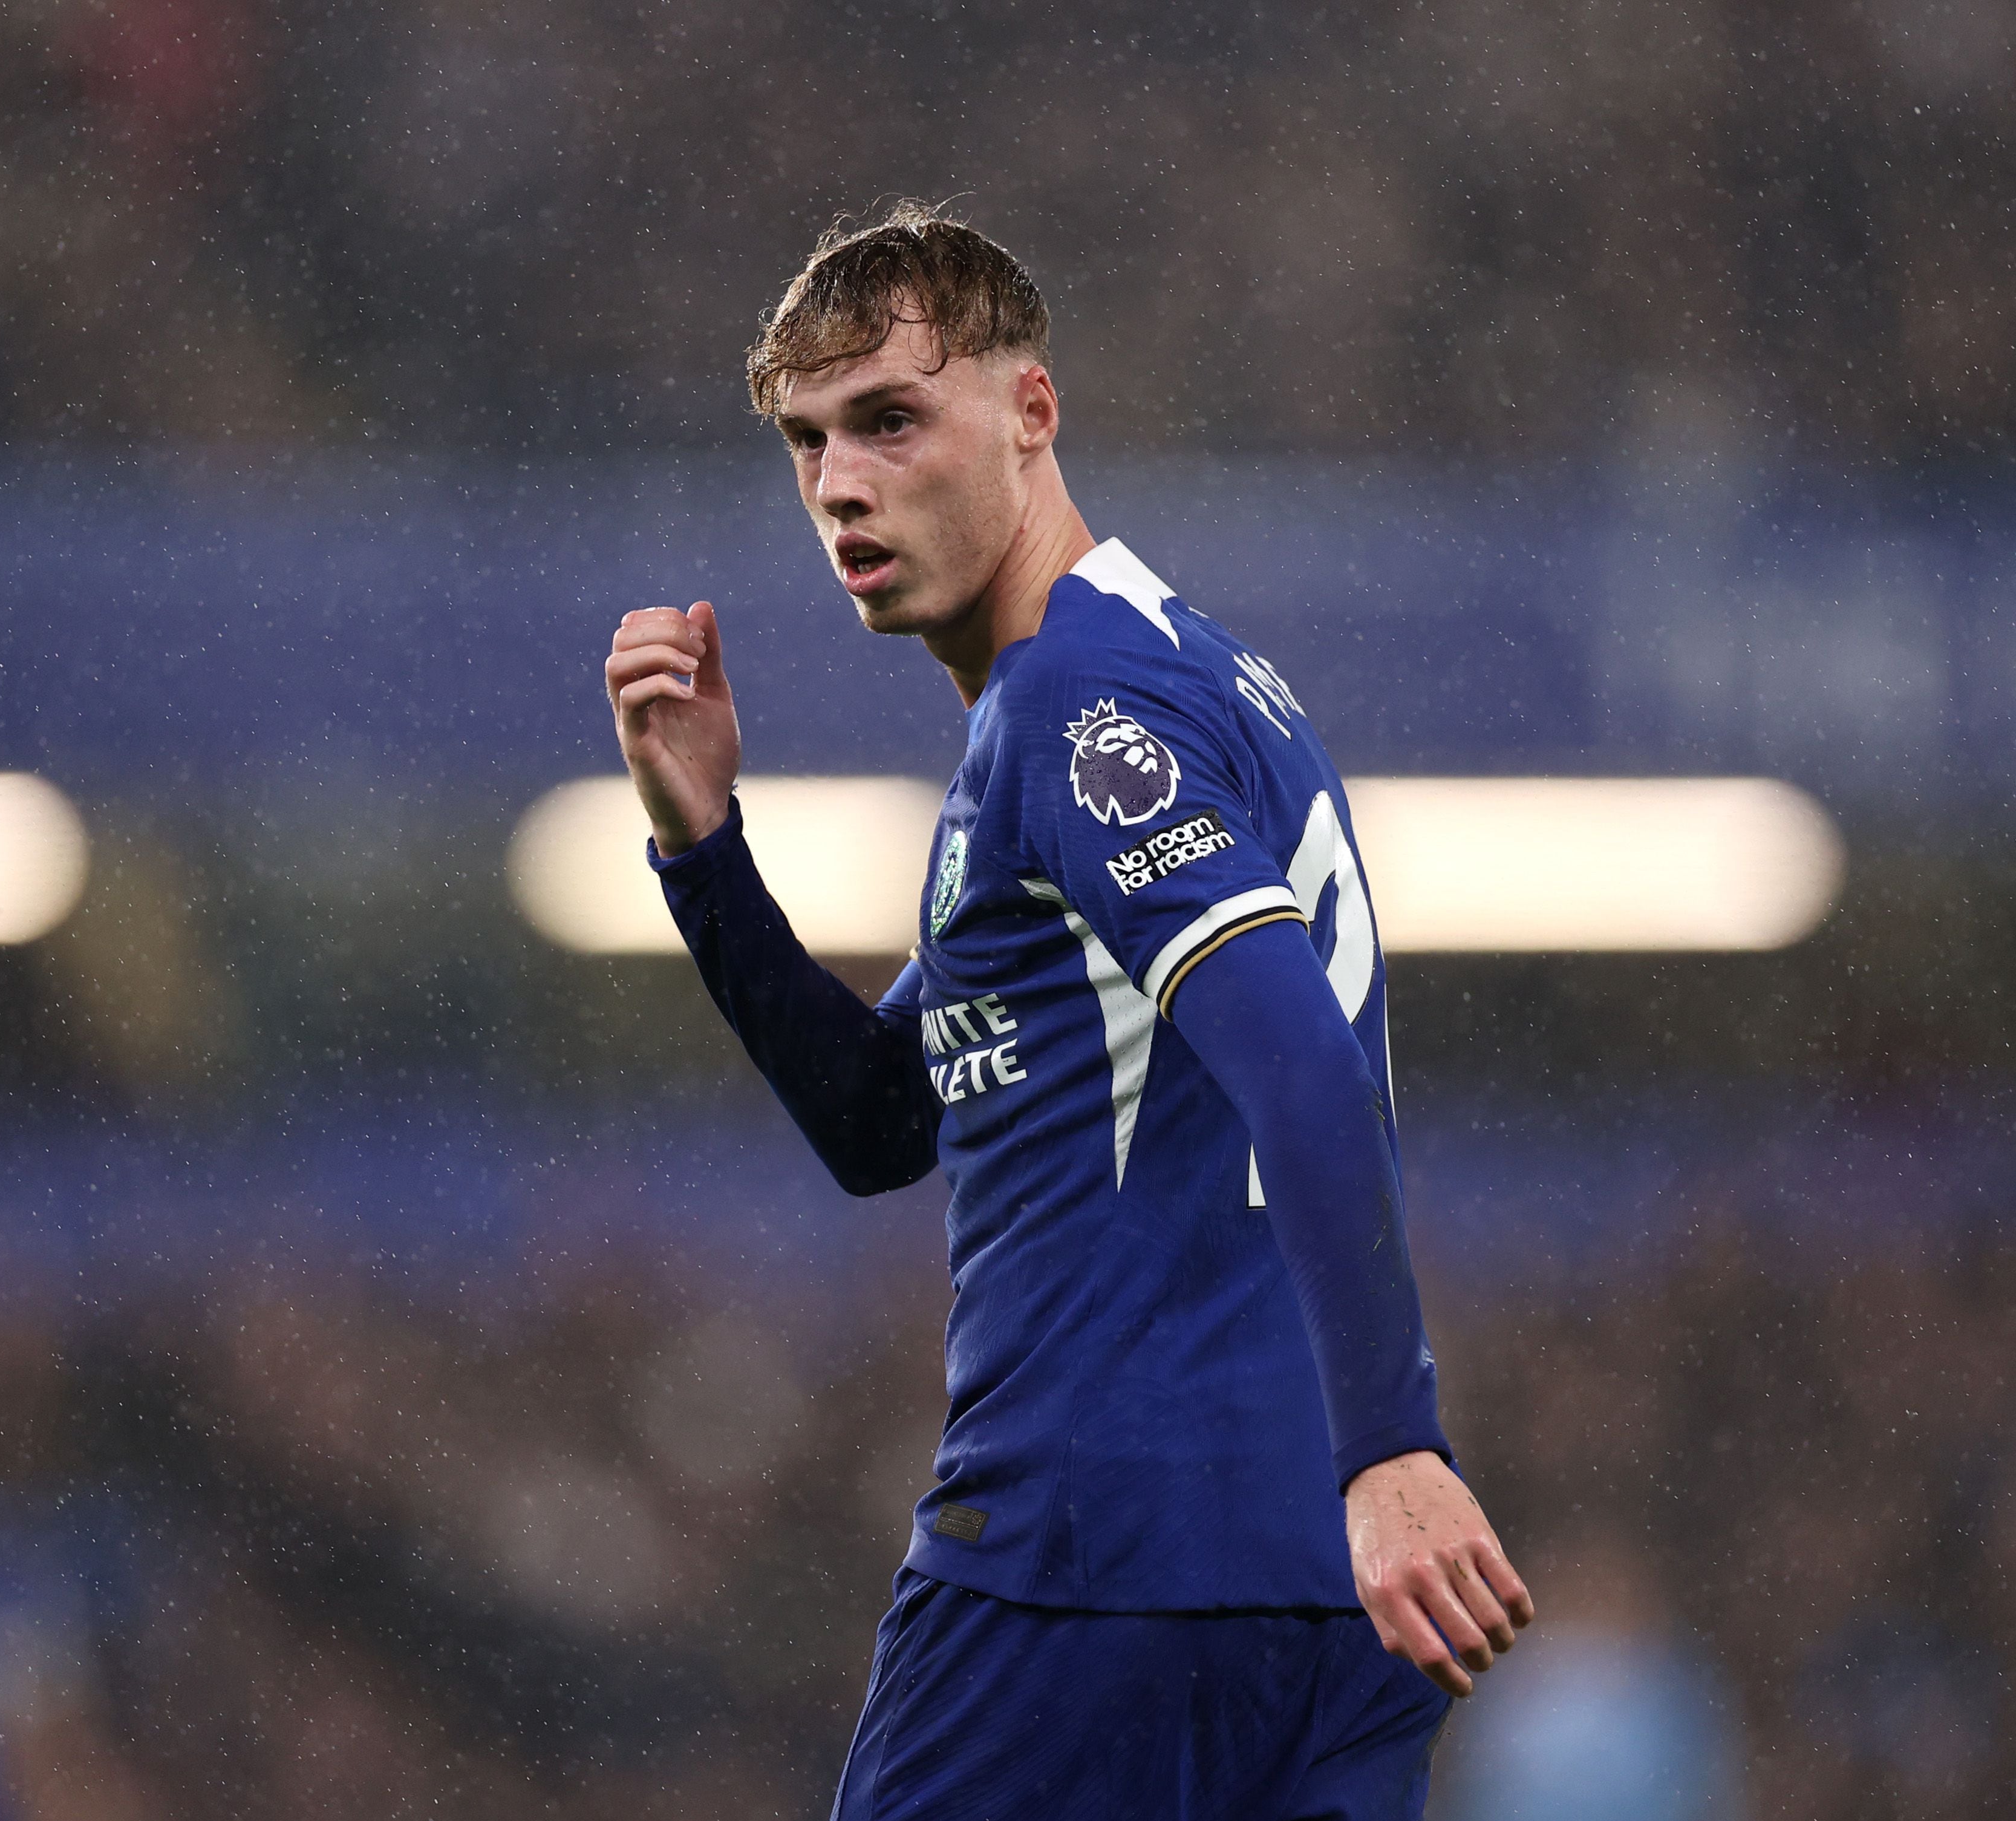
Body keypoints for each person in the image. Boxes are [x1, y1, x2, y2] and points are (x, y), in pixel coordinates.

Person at [603, 201, 1535, 1818]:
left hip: (1092, 1565)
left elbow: (1302, 1062)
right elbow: (888, 1117)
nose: (841, 480)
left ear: (1033, 413)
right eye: (810, 441)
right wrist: (705, 849)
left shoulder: (1077, 708)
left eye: (893, 418)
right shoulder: (1188, 682)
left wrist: (1396, 1444)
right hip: (1320, 1606)